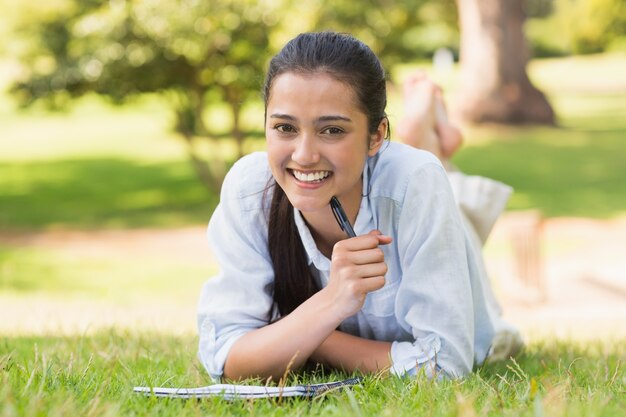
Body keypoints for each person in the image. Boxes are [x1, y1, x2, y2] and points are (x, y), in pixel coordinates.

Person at [197, 31, 522, 383]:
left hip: (419, 203)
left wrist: (300, 334)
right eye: (284, 127)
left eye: (332, 130)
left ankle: (421, 118)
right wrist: (332, 301)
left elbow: (444, 366)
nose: (304, 155)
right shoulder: (250, 191)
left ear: (377, 135)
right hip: (378, 177)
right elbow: (225, 357)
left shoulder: (416, 183)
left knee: (438, 190)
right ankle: (421, 121)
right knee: (398, 170)